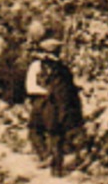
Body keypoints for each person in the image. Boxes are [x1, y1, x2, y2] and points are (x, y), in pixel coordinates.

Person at [25, 36, 83, 176]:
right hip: (60, 105)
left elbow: (30, 87)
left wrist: (44, 92)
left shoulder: (37, 65)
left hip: (42, 102)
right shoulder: (64, 69)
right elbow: (71, 90)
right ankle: (56, 170)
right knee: (56, 135)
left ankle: (46, 156)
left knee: (35, 131)